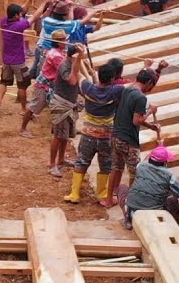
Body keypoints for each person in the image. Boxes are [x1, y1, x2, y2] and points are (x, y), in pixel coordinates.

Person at [66, 59, 123, 206]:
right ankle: (102, 194)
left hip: (87, 135)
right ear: (112, 79)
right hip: (106, 137)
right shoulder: (116, 91)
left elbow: (77, 72)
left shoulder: (88, 88)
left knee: (82, 161)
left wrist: (79, 57)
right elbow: (135, 87)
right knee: (105, 165)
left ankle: (75, 193)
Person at [106, 68, 163, 201]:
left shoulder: (128, 89)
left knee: (116, 167)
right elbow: (137, 120)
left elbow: (132, 115)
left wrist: (151, 126)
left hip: (116, 135)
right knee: (135, 173)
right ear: (149, 82)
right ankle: (129, 203)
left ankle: (108, 199)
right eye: (152, 85)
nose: (151, 88)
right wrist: (150, 110)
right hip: (128, 140)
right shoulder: (140, 97)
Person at [124, 146, 179, 229]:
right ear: (165, 162)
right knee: (172, 200)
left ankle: (128, 219)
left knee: (122, 189)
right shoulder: (169, 175)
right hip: (153, 212)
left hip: (133, 209)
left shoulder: (141, 166)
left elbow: (147, 158)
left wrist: (157, 149)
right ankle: (178, 226)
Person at [46, 44, 85, 178]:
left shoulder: (74, 64)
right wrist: (78, 61)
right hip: (61, 104)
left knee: (65, 135)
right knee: (58, 135)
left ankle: (61, 160)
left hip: (69, 104)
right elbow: (73, 81)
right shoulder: (65, 65)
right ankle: (52, 164)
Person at [0, 2, 33, 113]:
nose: (21, 16)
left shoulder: (4, 21)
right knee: (22, 86)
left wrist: (29, 0)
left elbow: (20, 11)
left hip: (6, 60)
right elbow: (34, 17)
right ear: (16, 16)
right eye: (20, 15)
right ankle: (23, 109)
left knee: (3, 82)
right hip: (18, 62)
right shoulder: (18, 26)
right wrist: (44, 4)